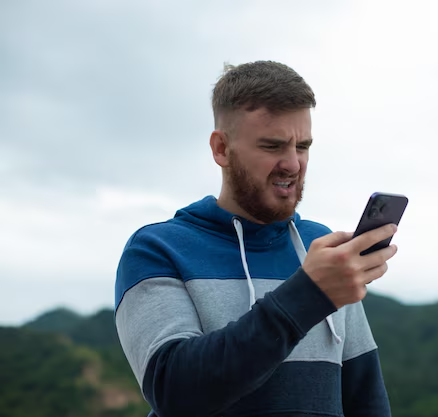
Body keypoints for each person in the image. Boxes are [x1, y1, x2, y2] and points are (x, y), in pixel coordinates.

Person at [114, 60, 398, 417]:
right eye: (273, 146)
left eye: (303, 146)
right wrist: (309, 294)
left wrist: (317, 287)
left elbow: (366, 399)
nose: (293, 164)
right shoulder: (157, 250)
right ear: (221, 148)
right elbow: (173, 391)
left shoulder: (321, 248)